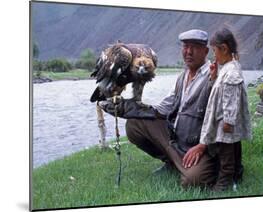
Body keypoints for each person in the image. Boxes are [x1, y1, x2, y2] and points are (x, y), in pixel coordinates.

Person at [99, 29, 218, 188]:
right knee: (135, 123)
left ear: (206, 51)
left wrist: (203, 146)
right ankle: (172, 161)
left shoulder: (214, 76)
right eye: (185, 46)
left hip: (201, 146)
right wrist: (128, 108)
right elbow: (162, 109)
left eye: (194, 47)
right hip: (178, 139)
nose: (188, 51)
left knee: (192, 181)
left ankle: (188, 166)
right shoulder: (183, 77)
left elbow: (221, 121)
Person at [199, 28, 252, 191]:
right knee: (234, 147)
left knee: (226, 152)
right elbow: (223, 91)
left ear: (224, 48)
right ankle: (237, 173)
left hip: (226, 122)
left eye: (214, 51)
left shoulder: (231, 72)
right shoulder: (229, 68)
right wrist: (214, 77)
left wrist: (228, 120)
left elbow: (230, 99)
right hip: (227, 120)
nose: (213, 56)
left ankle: (224, 182)